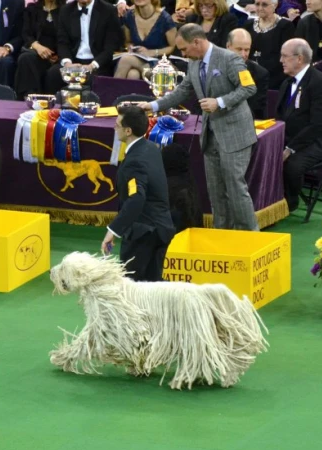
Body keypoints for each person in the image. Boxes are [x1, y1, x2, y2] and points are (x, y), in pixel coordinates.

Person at [138, 23, 259, 231]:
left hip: (235, 135)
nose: (182, 54)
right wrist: (152, 105)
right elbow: (182, 91)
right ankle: (222, 234)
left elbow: (249, 87)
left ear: (197, 42)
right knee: (216, 191)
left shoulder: (230, 58)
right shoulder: (194, 63)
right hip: (210, 137)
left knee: (236, 188)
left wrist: (219, 102)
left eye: (184, 49)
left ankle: (250, 236)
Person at [102, 106, 176, 282]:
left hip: (144, 234)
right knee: (153, 287)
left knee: (131, 288)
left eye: (117, 124)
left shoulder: (134, 161)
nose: (114, 127)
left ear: (128, 131)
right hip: (161, 228)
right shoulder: (151, 147)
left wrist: (113, 230)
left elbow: (136, 198)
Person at [276, 38, 322, 212]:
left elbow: (318, 125)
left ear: (299, 59)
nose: (281, 61)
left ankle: (289, 204)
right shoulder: (286, 82)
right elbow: (279, 117)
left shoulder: (320, 82)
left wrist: (289, 149)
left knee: (291, 165)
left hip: (317, 142)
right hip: (291, 138)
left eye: (284, 56)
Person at [44, 0, 122, 94]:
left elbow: (111, 46)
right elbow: (62, 42)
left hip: (98, 63)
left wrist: (92, 66)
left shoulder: (108, 10)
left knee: (91, 80)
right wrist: (67, 63)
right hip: (73, 61)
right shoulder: (66, 10)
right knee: (53, 74)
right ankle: (54, 108)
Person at [14, 0, 64, 99]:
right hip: (36, 52)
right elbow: (25, 33)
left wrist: (58, 55)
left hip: (57, 56)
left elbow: (66, 38)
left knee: (55, 72)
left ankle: (50, 102)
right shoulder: (31, 9)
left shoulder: (65, 11)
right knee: (25, 58)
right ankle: (29, 98)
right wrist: (37, 47)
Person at [115, 0, 176, 79]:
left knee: (125, 59)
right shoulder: (129, 16)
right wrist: (131, 48)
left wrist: (152, 52)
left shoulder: (165, 19)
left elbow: (172, 47)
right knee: (133, 74)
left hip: (159, 63)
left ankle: (110, 90)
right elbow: (128, 42)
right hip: (137, 59)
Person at [243, 0, 295, 89]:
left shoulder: (285, 26)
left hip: (274, 80)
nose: (260, 8)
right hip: (249, 78)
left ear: (275, 5)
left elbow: (286, 57)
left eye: (264, 5)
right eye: (257, 4)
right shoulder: (248, 24)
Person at [226, 28, 268, 119]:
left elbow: (256, 108)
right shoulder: (214, 68)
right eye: (239, 49)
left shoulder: (260, 74)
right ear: (228, 46)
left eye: (247, 50)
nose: (243, 54)